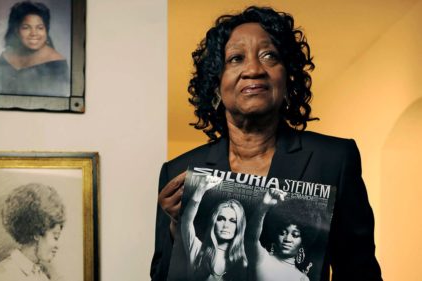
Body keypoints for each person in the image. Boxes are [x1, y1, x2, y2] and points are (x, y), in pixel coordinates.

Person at [151, 5, 382, 281]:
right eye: (236, 58)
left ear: (286, 79)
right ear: (216, 84)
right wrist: (177, 227)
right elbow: (161, 276)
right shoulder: (181, 171)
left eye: (269, 55)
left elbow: (360, 273)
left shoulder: (334, 160)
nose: (253, 69)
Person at [0, 183, 66, 281]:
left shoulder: (41, 276)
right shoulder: (1, 275)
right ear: (37, 233)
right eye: (55, 237)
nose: (57, 245)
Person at [0, 1, 70, 97]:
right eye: (26, 27)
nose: (34, 33)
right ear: (16, 30)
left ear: (46, 30)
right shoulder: (5, 57)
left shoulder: (57, 64)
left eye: (40, 28)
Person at [180, 175, 247, 280]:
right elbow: (186, 221)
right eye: (221, 219)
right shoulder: (197, 249)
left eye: (233, 221)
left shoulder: (243, 262)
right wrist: (201, 189)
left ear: (239, 226)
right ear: (213, 222)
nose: (226, 225)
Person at [246, 188, 319, 281]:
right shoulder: (262, 258)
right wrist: (263, 207)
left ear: (303, 240)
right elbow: (250, 237)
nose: (287, 239)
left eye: (295, 235)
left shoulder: (302, 279)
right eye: (282, 233)